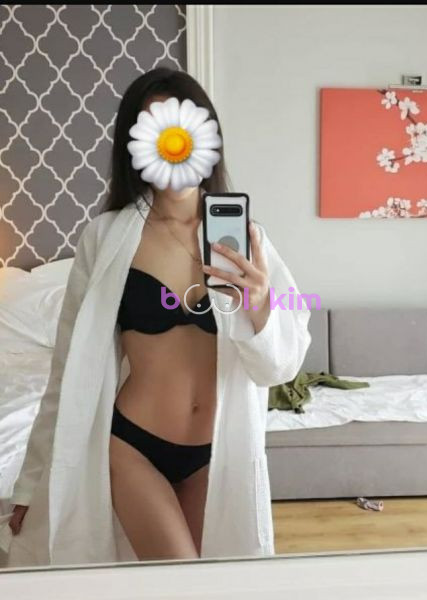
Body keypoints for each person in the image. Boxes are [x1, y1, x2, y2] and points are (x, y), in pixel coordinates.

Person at [7, 67, 311, 565]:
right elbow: (68, 370)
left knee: (210, 587)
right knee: (182, 583)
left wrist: (259, 305)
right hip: (133, 448)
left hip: (217, 453)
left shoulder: (247, 238)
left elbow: (281, 365)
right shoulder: (106, 238)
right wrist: (30, 483)